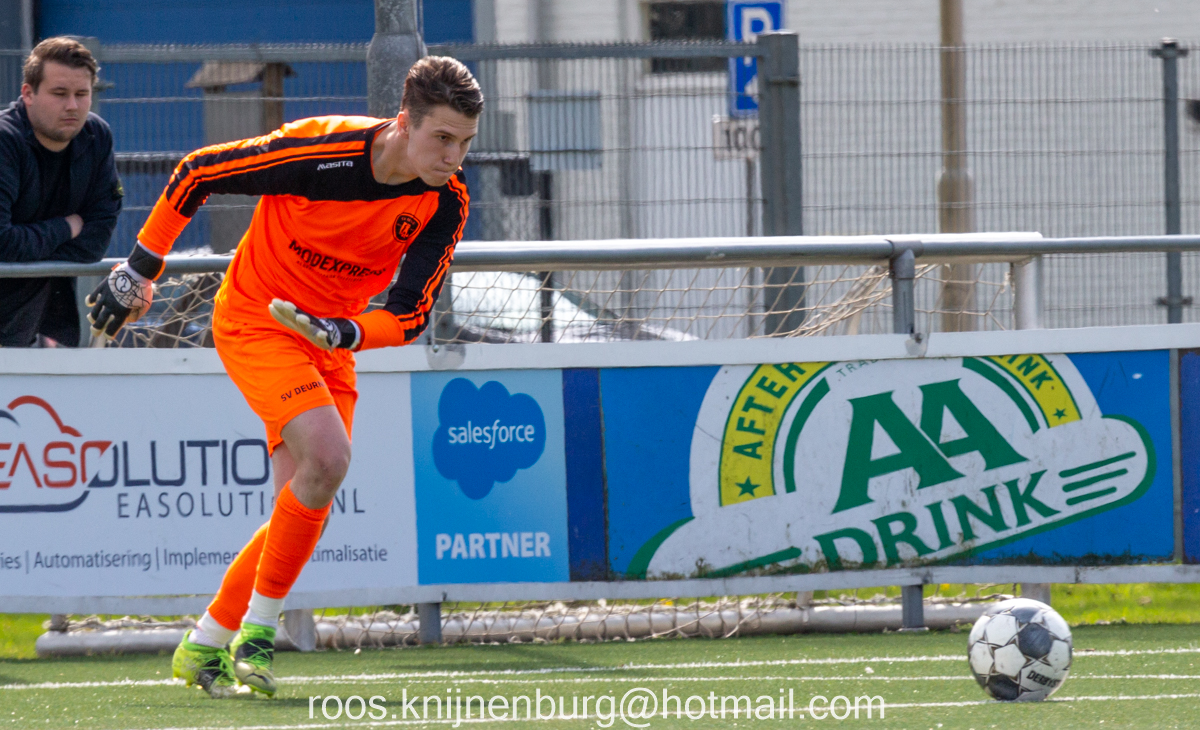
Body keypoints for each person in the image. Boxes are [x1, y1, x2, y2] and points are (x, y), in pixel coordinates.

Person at [87, 56, 482, 698]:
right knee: (329, 458)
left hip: (329, 342)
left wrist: (344, 333)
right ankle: (259, 634)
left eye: (465, 143)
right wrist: (139, 268)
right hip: (255, 319)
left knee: (307, 501)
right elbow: (197, 173)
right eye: (442, 138)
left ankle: (205, 643)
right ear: (404, 122)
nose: (453, 157)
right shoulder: (320, 151)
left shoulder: (446, 199)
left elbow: (410, 315)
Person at [0, 37, 122, 347]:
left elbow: (95, 244)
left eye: (82, 94)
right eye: (59, 94)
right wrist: (67, 227)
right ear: (28, 93)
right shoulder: (5, 142)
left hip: (45, 326)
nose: (72, 106)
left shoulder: (96, 136)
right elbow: (2, 243)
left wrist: (27, 246)